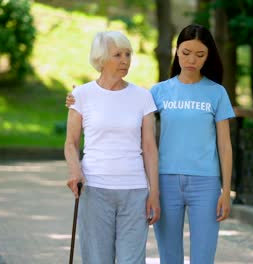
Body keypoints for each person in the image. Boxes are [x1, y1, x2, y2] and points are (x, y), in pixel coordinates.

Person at [66, 24, 234, 264]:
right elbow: (117, 101)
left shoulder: (216, 93)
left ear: (208, 57)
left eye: (200, 55)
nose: (191, 60)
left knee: (204, 258)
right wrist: (77, 99)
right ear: (177, 51)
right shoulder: (157, 92)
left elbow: (225, 146)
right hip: (166, 181)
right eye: (186, 53)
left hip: (205, 183)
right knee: (169, 257)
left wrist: (226, 190)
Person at [64, 30, 160, 264]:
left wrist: (154, 193)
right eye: (117, 54)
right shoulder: (81, 95)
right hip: (95, 189)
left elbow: (149, 148)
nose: (125, 60)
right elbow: (71, 143)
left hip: (135, 191)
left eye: (128, 54)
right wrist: (75, 170)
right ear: (101, 59)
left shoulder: (143, 97)